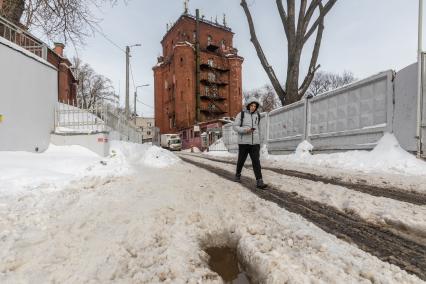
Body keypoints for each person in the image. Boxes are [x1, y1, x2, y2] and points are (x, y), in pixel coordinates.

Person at [232, 96, 267, 189]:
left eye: (255, 106)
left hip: (255, 143)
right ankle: (237, 175)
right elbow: (235, 126)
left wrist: (260, 141)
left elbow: (260, 129)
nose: (253, 107)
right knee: (241, 160)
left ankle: (259, 181)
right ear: (248, 106)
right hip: (244, 143)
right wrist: (245, 130)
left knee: (256, 162)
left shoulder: (258, 115)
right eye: (251, 105)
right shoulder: (241, 114)